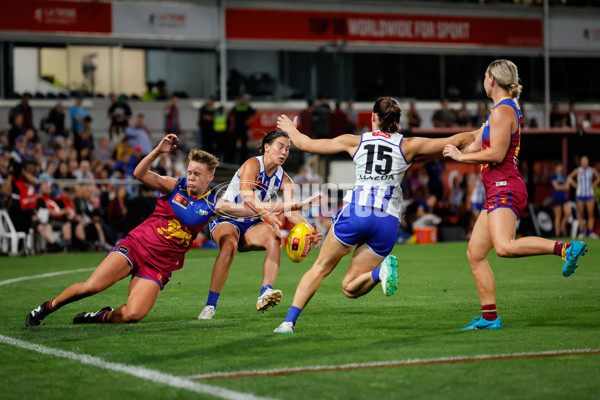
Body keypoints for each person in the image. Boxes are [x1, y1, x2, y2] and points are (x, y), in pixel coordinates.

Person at [26, 134, 318, 327]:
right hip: (136, 246)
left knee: (134, 314)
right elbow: (140, 174)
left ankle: (99, 316)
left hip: (160, 266)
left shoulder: (213, 204)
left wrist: (297, 212)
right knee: (92, 286)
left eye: (196, 174)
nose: (189, 177)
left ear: (210, 178)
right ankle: (47, 307)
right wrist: (156, 151)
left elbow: (247, 210)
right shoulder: (173, 184)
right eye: (189, 172)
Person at [273, 96, 478, 334]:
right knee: (349, 288)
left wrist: (290, 129)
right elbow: (459, 139)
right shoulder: (409, 145)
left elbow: (306, 144)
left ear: (373, 117)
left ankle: (288, 323)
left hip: (357, 212)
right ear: (397, 121)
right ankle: (379, 273)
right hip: (387, 221)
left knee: (319, 269)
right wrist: (486, 130)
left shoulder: (355, 141)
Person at [442, 59, 588, 331]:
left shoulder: (502, 111)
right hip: (498, 187)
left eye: (485, 76)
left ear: (492, 80)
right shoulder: (500, 110)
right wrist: (449, 148)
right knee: (475, 253)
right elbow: (477, 142)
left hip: (505, 186)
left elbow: (496, 153)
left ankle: (565, 248)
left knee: (504, 247)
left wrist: (460, 157)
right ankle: (489, 318)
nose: (483, 81)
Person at [198, 130, 323, 320]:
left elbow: (291, 211)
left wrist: (310, 229)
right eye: (280, 146)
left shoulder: (286, 180)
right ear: (267, 147)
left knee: (275, 236)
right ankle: (210, 306)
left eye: (287, 149)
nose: (284, 152)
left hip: (251, 223)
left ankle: (266, 292)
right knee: (229, 245)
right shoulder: (252, 164)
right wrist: (266, 213)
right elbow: (246, 194)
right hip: (226, 218)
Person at [567, 155, 600, 239]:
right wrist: (576, 185)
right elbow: (569, 177)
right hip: (580, 195)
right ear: (581, 162)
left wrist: (593, 185)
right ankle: (581, 232)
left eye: (586, 161)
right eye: (583, 161)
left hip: (589, 194)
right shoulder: (578, 170)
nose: (585, 162)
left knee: (591, 214)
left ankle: (591, 232)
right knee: (581, 214)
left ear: (588, 162)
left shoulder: (591, 170)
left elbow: (598, 177)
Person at [229, 96, 257, 162]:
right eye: (240, 100)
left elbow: (255, 114)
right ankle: (232, 160)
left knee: (244, 145)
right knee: (233, 144)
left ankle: (243, 160)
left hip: (244, 128)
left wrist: (249, 121)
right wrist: (233, 123)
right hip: (236, 128)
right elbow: (231, 115)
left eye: (242, 100)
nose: (241, 101)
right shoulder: (236, 107)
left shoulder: (247, 107)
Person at [551, 163, 572, 237]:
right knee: (558, 216)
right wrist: (563, 187)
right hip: (556, 197)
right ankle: (557, 234)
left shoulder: (564, 176)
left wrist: (561, 187)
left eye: (561, 167)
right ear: (556, 168)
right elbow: (556, 187)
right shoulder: (554, 176)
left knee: (568, 213)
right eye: (559, 167)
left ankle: (562, 226)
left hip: (564, 197)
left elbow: (568, 187)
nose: (560, 169)